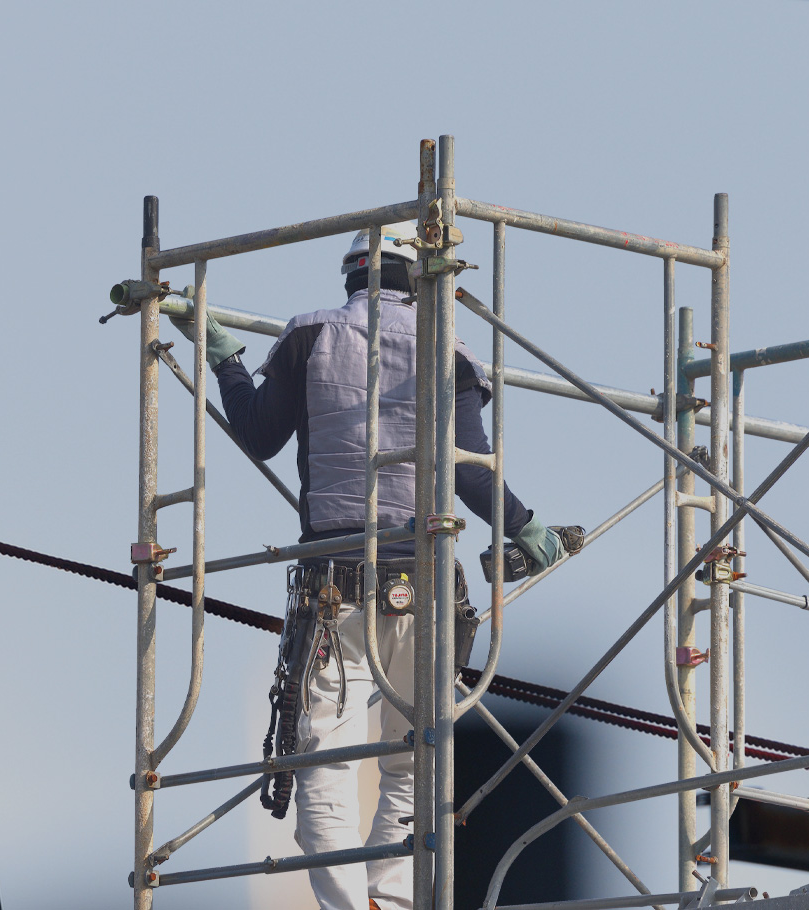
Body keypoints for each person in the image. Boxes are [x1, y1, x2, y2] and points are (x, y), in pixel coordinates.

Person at [172, 222, 578, 910]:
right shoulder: (448, 352)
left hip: (332, 593)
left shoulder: (309, 335)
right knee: (413, 768)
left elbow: (259, 434)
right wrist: (528, 529)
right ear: (423, 281)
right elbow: (470, 476)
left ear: (354, 276)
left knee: (322, 770)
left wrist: (224, 358)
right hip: (422, 592)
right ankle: (389, 904)